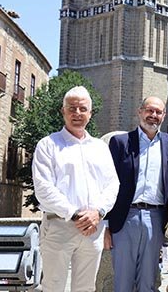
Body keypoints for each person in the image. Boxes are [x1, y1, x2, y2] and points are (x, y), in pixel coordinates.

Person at [32, 86, 120, 292]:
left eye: (82, 109)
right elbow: (43, 188)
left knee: (86, 288)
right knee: (53, 286)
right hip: (59, 226)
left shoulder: (100, 147)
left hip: (93, 228)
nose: (77, 113)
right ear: (63, 111)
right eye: (72, 108)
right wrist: (75, 214)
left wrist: (97, 212)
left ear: (90, 113)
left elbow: (112, 184)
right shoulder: (48, 145)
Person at [105, 96, 168, 292]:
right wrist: (105, 225)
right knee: (123, 281)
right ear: (140, 112)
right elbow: (106, 183)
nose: (153, 116)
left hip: (156, 217)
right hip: (125, 217)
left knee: (148, 281)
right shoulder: (120, 142)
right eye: (149, 111)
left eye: (158, 112)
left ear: (164, 116)